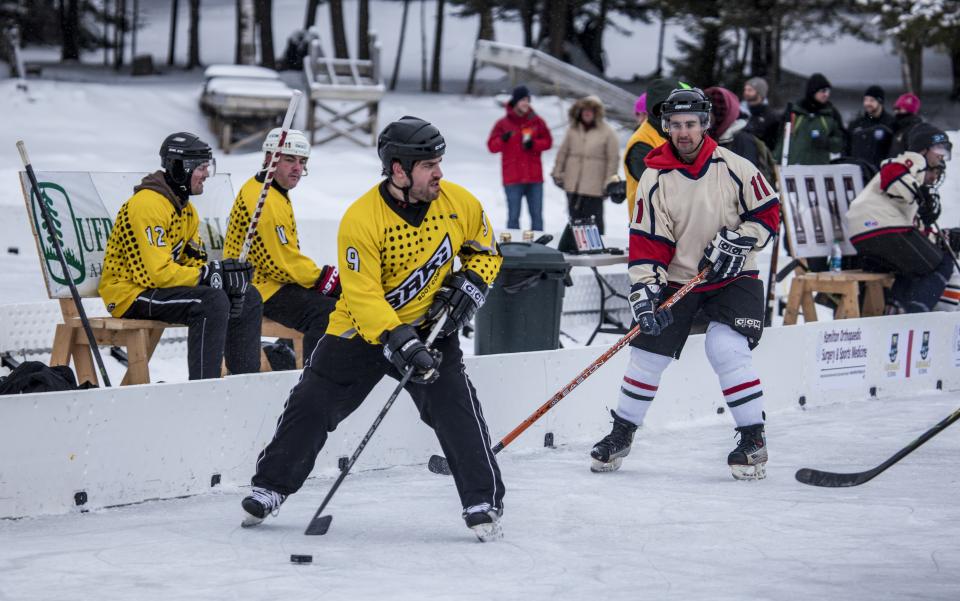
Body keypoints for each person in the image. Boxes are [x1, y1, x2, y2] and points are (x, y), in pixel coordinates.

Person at [240, 116, 506, 542]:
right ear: (398, 170)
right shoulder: (362, 218)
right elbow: (362, 294)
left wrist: (471, 285)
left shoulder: (460, 203)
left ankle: (482, 499)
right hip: (361, 332)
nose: (438, 173)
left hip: (430, 329)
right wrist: (398, 339)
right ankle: (271, 486)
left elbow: (487, 252)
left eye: (440, 162)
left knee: (455, 406)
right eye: (428, 165)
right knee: (312, 401)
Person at [588, 88, 780, 480]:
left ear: (705, 124)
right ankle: (622, 433)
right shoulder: (655, 178)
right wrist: (644, 293)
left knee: (724, 347)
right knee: (648, 353)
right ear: (666, 128)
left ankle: (752, 439)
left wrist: (742, 238)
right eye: (675, 125)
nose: (684, 132)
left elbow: (768, 213)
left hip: (734, 276)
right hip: (680, 278)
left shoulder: (735, 166)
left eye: (691, 124)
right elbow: (648, 243)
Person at [99, 132, 262, 380]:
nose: (207, 173)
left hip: (156, 288)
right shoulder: (148, 205)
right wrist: (208, 276)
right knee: (210, 302)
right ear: (179, 168)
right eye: (201, 167)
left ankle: (244, 382)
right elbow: (156, 275)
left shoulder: (186, 210)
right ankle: (204, 388)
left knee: (247, 295)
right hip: (128, 293)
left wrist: (221, 275)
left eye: (208, 166)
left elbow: (194, 262)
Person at [223, 128, 340, 359]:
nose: (297, 167)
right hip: (255, 288)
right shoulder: (263, 200)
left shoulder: (272, 190)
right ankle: (313, 375)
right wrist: (326, 279)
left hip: (270, 282)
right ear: (270, 159)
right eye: (289, 160)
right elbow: (282, 262)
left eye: (302, 161)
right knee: (327, 311)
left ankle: (281, 356)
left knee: (325, 299)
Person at [846, 123, 954, 313]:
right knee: (941, 263)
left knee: (913, 267)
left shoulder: (909, 191)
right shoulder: (912, 161)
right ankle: (916, 315)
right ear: (923, 149)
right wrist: (918, 193)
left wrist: (939, 235)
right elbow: (891, 173)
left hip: (864, 233)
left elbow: (915, 229)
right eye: (938, 149)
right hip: (882, 226)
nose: (941, 155)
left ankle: (895, 311)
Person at [487, 85, 552, 231]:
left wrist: (534, 144)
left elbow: (548, 142)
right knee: (513, 217)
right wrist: (503, 139)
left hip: (534, 178)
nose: (526, 103)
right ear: (516, 101)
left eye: (528, 100)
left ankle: (539, 249)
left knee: (537, 217)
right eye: (523, 100)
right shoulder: (502, 124)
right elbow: (492, 146)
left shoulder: (537, 121)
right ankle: (513, 248)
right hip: (512, 178)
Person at [551, 95, 621, 234]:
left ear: (596, 113)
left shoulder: (608, 132)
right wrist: (557, 173)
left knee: (594, 224)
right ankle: (576, 248)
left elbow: (613, 159)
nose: (587, 113)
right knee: (575, 222)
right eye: (584, 110)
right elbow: (563, 153)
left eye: (590, 110)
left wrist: (609, 182)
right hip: (573, 185)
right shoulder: (573, 130)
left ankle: (597, 249)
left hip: (594, 187)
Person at [623, 79, 685, 222]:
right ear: (659, 108)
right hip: (648, 226)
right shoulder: (642, 142)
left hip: (674, 224)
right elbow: (659, 185)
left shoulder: (671, 133)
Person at [706, 85, 777, 185]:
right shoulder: (711, 137)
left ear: (721, 114)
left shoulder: (743, 141)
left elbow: (746, 185)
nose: (706, 120)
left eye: (709, 114)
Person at [775, 72, 845, 165]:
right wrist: (775, 161)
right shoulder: (794, 112)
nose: (826, 94)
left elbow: (841, 143)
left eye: (828, 91)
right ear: (813, 91)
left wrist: (826, 142)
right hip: (794, 169)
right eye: (823, 91)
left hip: (819, 171)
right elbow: (781, 140)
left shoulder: (831, 114)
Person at [846, 85, 896, 171]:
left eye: (871, 100)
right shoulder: (856, 124)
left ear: (880, 102)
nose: (867, 103)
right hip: (860, 171)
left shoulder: (891, 123)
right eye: (865, 100)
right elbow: (846, 146)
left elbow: (895, 149)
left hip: (881, 172)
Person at [741, 76, 780, 152]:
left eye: (750, 90)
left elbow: (772, 145)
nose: (746, 93)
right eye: (745, 90)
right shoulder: (739, 111)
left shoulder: (770, 116)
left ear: (759, 93)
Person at [888, 92, 923, 158]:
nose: (896, 111)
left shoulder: (914, 130)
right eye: (895, 108)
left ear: (908, 110)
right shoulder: (895, 127)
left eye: (899, 108)